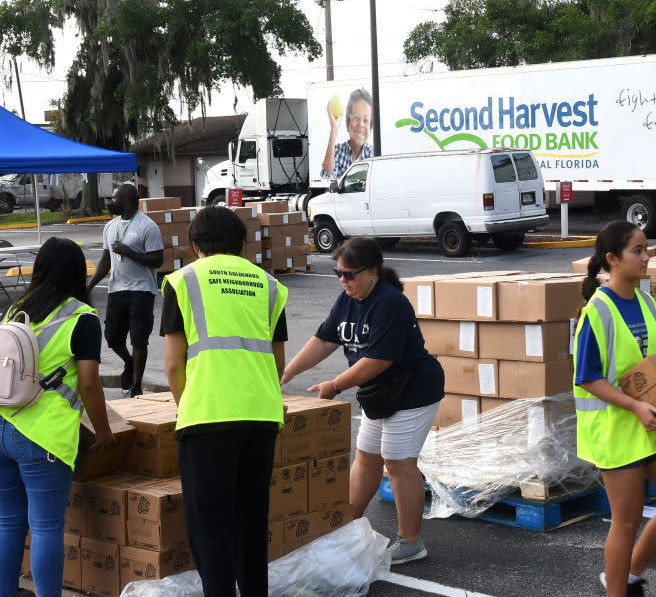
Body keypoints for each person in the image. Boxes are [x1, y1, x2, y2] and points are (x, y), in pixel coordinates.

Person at [282, 237, 443, 564]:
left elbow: (379, 360)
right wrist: (286, 373)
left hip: (412, 389)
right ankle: (345, 526)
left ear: (373, 272)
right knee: (367, 457)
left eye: (350, 274)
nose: (343, 280)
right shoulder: (347, 300)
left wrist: (335, 385)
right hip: (379, 392)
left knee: (398, 461)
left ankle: (411, 541)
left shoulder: (391, 303)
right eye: (338, 273)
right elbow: (324, 340)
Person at [161, 206, 288, 595]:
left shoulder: (182, 282)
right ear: (244, 245)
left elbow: (171, 365)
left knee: (210, 529)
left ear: (194, 245)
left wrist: (188, 404)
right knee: (251, 526)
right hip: (261, 418)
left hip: (206, 419)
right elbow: (277, 361)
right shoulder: (268, 284)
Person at [574, 220, 656, 597]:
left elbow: (652, 364)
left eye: (647, 249)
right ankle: (617, 590)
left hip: (654, 423)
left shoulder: (646, 301)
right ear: (612, 259)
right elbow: (588, 377)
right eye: (637, 251)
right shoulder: (598, 310)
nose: (646, 258)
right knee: (625, 522)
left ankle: (628, 575)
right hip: (618, 429)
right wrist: (636, 406)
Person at [0, 237, 113, 597]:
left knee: (7, 522)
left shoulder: (16, 308)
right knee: (47, 527)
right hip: (42, 436)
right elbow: (90, 384)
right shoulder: (82, 318)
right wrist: (104, 432)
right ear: (78, 273)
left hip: (3, 426)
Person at [88, 183, 164, 398]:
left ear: (125, 200)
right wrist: (90, 285)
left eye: (114, 199)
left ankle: (137, 384)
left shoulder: (147, 226)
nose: (110, 203)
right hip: (117, 289)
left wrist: (129, 252)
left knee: (139, 339)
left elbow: (158, 260)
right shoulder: (110, 227)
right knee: (112, 337)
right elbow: (105, 260)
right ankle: (129, 362)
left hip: (142, 290)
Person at [320, 88, 374, 180]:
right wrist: (334, 128)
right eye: (356, 118)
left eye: (366, 120)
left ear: (370, 128)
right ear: (347, 123)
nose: (361, 124)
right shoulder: (337, 151)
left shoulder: (372, 154)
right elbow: (327, 178)